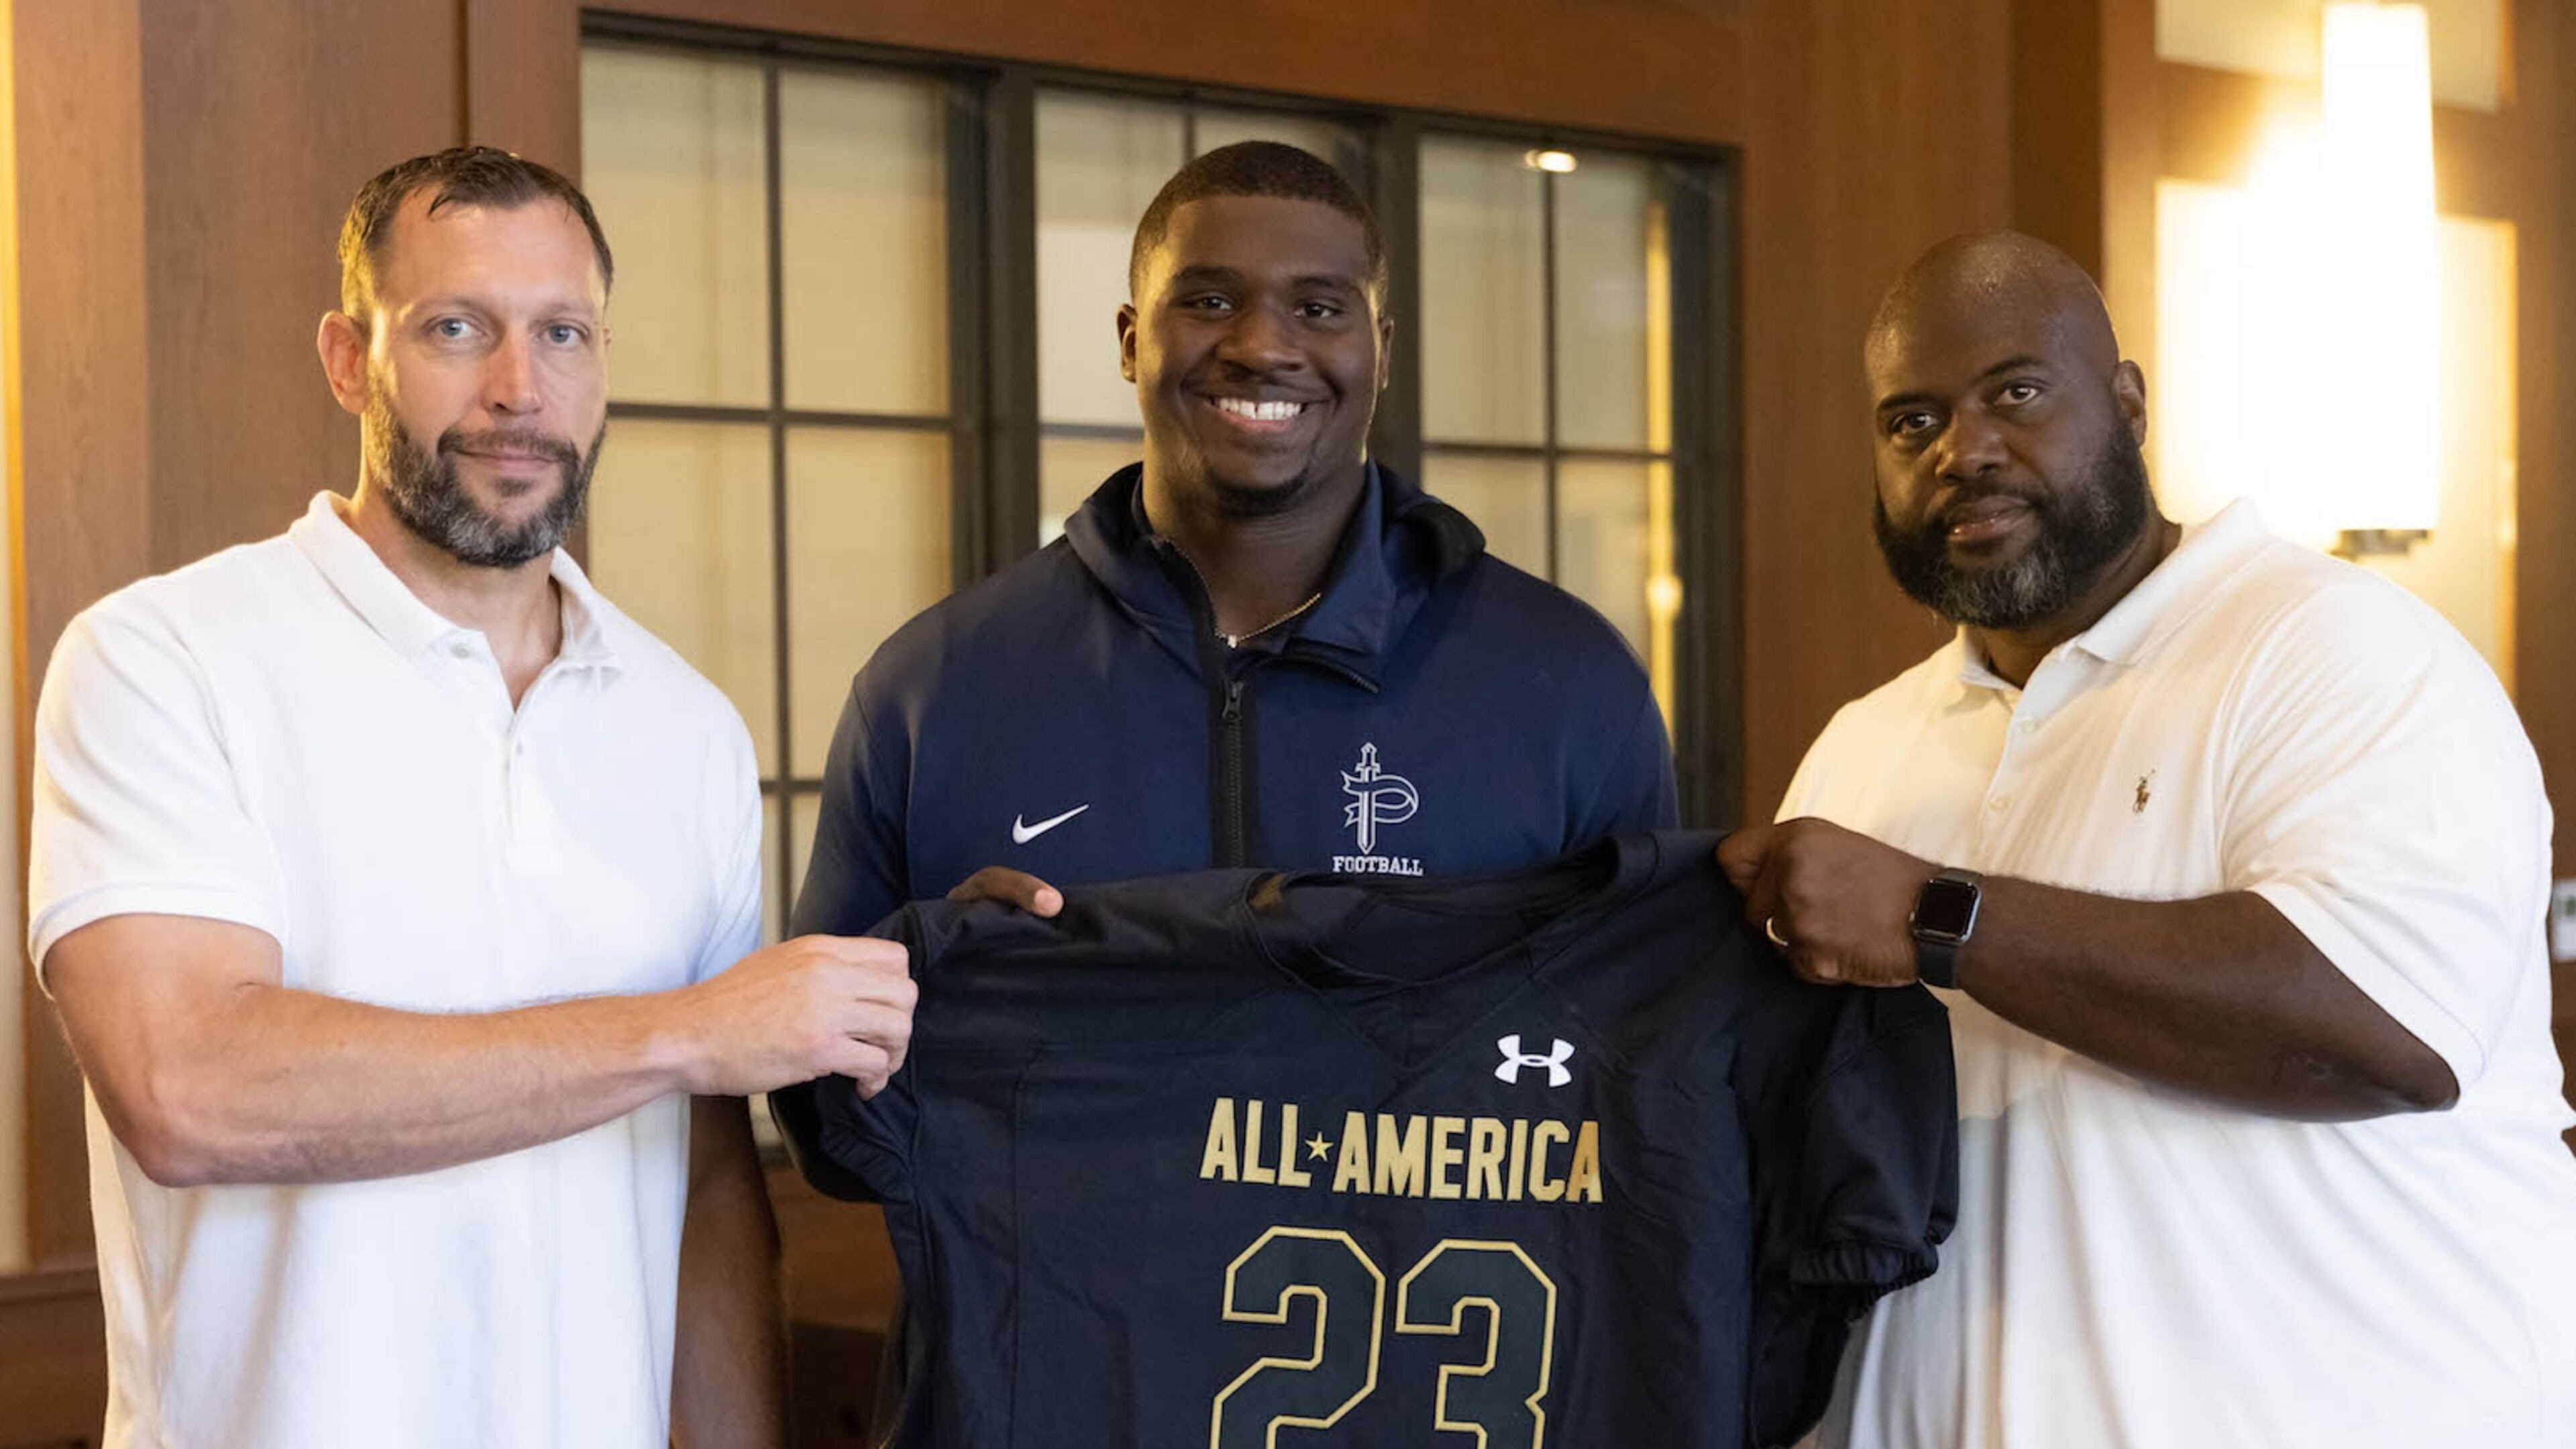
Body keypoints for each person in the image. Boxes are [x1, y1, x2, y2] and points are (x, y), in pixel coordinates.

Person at [28, 148, 916, 1449]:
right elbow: (186, 1089)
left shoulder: (686, 728)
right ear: (350, 358)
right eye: (457, 329)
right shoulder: (164, 659)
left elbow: (707, 1198)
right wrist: (683, 1031)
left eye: (563, 333)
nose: (520, 390)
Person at [1720, 231, 2576, 1446]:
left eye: (2015, 393)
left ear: (2126, 404)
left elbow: (2389, 1034)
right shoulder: (1865, 746)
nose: (1964, 451)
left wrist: (1934, 917)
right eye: (1911, 422)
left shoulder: (2340, 652)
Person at [786, 140, 1676, 945]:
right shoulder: (935, 689)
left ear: (1383, 351)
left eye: (1321, 308)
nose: (1261, 347)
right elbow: (820, 1075)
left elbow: (1650, 1038)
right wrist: (942, 985)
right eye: (1210, 301)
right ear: (1133, 342)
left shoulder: (1567, 683)